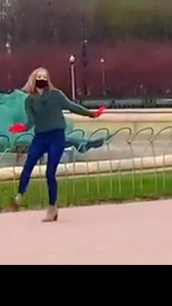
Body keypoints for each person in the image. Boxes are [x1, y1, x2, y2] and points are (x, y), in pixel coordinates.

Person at [9, 68, 104, 221]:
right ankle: (19, 196)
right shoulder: (30, 100)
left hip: (56, 136)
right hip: (40, 137)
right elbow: (30, 122)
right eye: (39, 77)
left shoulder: (56, 95)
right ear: (33, 79)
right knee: (28, 165)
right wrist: (21, 127)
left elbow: (72, 107)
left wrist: (92, 114)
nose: (42, 79)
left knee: (50, 173)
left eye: (44, 77)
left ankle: (52, 208)